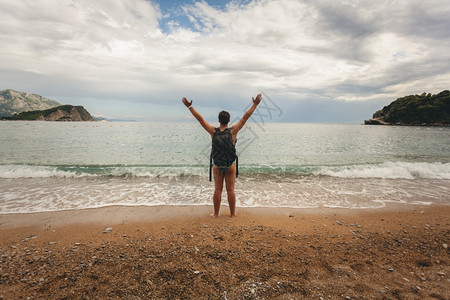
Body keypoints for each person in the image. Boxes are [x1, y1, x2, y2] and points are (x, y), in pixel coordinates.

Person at [182, 94, 262, 218]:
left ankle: (215, 214)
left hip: (217, 165)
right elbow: (246, 117)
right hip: (230, 165)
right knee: (230, 190)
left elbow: (200, 119)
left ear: (219, 120)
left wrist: (190, 107)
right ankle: (232, 214)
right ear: (228, 120)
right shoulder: (233, 131)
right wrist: (255, 104)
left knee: (218, 189)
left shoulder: (213, 131)